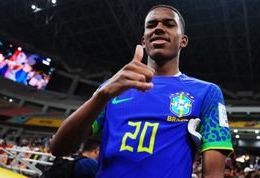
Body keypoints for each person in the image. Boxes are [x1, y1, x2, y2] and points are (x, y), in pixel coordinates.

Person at [50, 4, 233, 178]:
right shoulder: (112, 88)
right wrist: (101, 95)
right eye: (151, 25)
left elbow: (213, 173)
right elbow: (59, 148)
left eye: (169, 24)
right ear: (144, 41)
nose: (159, 28)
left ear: (183, 41)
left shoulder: (207, 92)